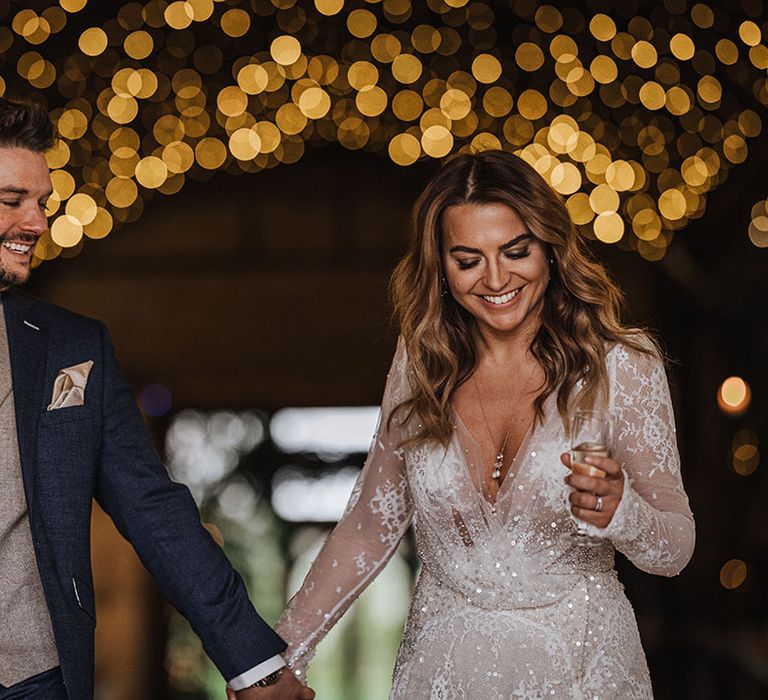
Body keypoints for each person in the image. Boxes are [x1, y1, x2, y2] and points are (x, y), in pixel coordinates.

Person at [273, 150, 695, 698]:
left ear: (551, 247)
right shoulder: (422, 363)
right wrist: (281, 657)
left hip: (584, 670)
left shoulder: (621, 365)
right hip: (442, 671)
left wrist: (624, 513)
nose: (496, 279)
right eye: (468, 260)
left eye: (516, 251)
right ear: (440, 266)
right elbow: (368, 527)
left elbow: (677, 547)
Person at [0, 97, 313, 700]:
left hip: (33, 680)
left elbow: (153, 508)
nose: (37, 224)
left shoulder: (73, 346)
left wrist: (255, 666)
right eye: (13, 202)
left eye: (41, 204)